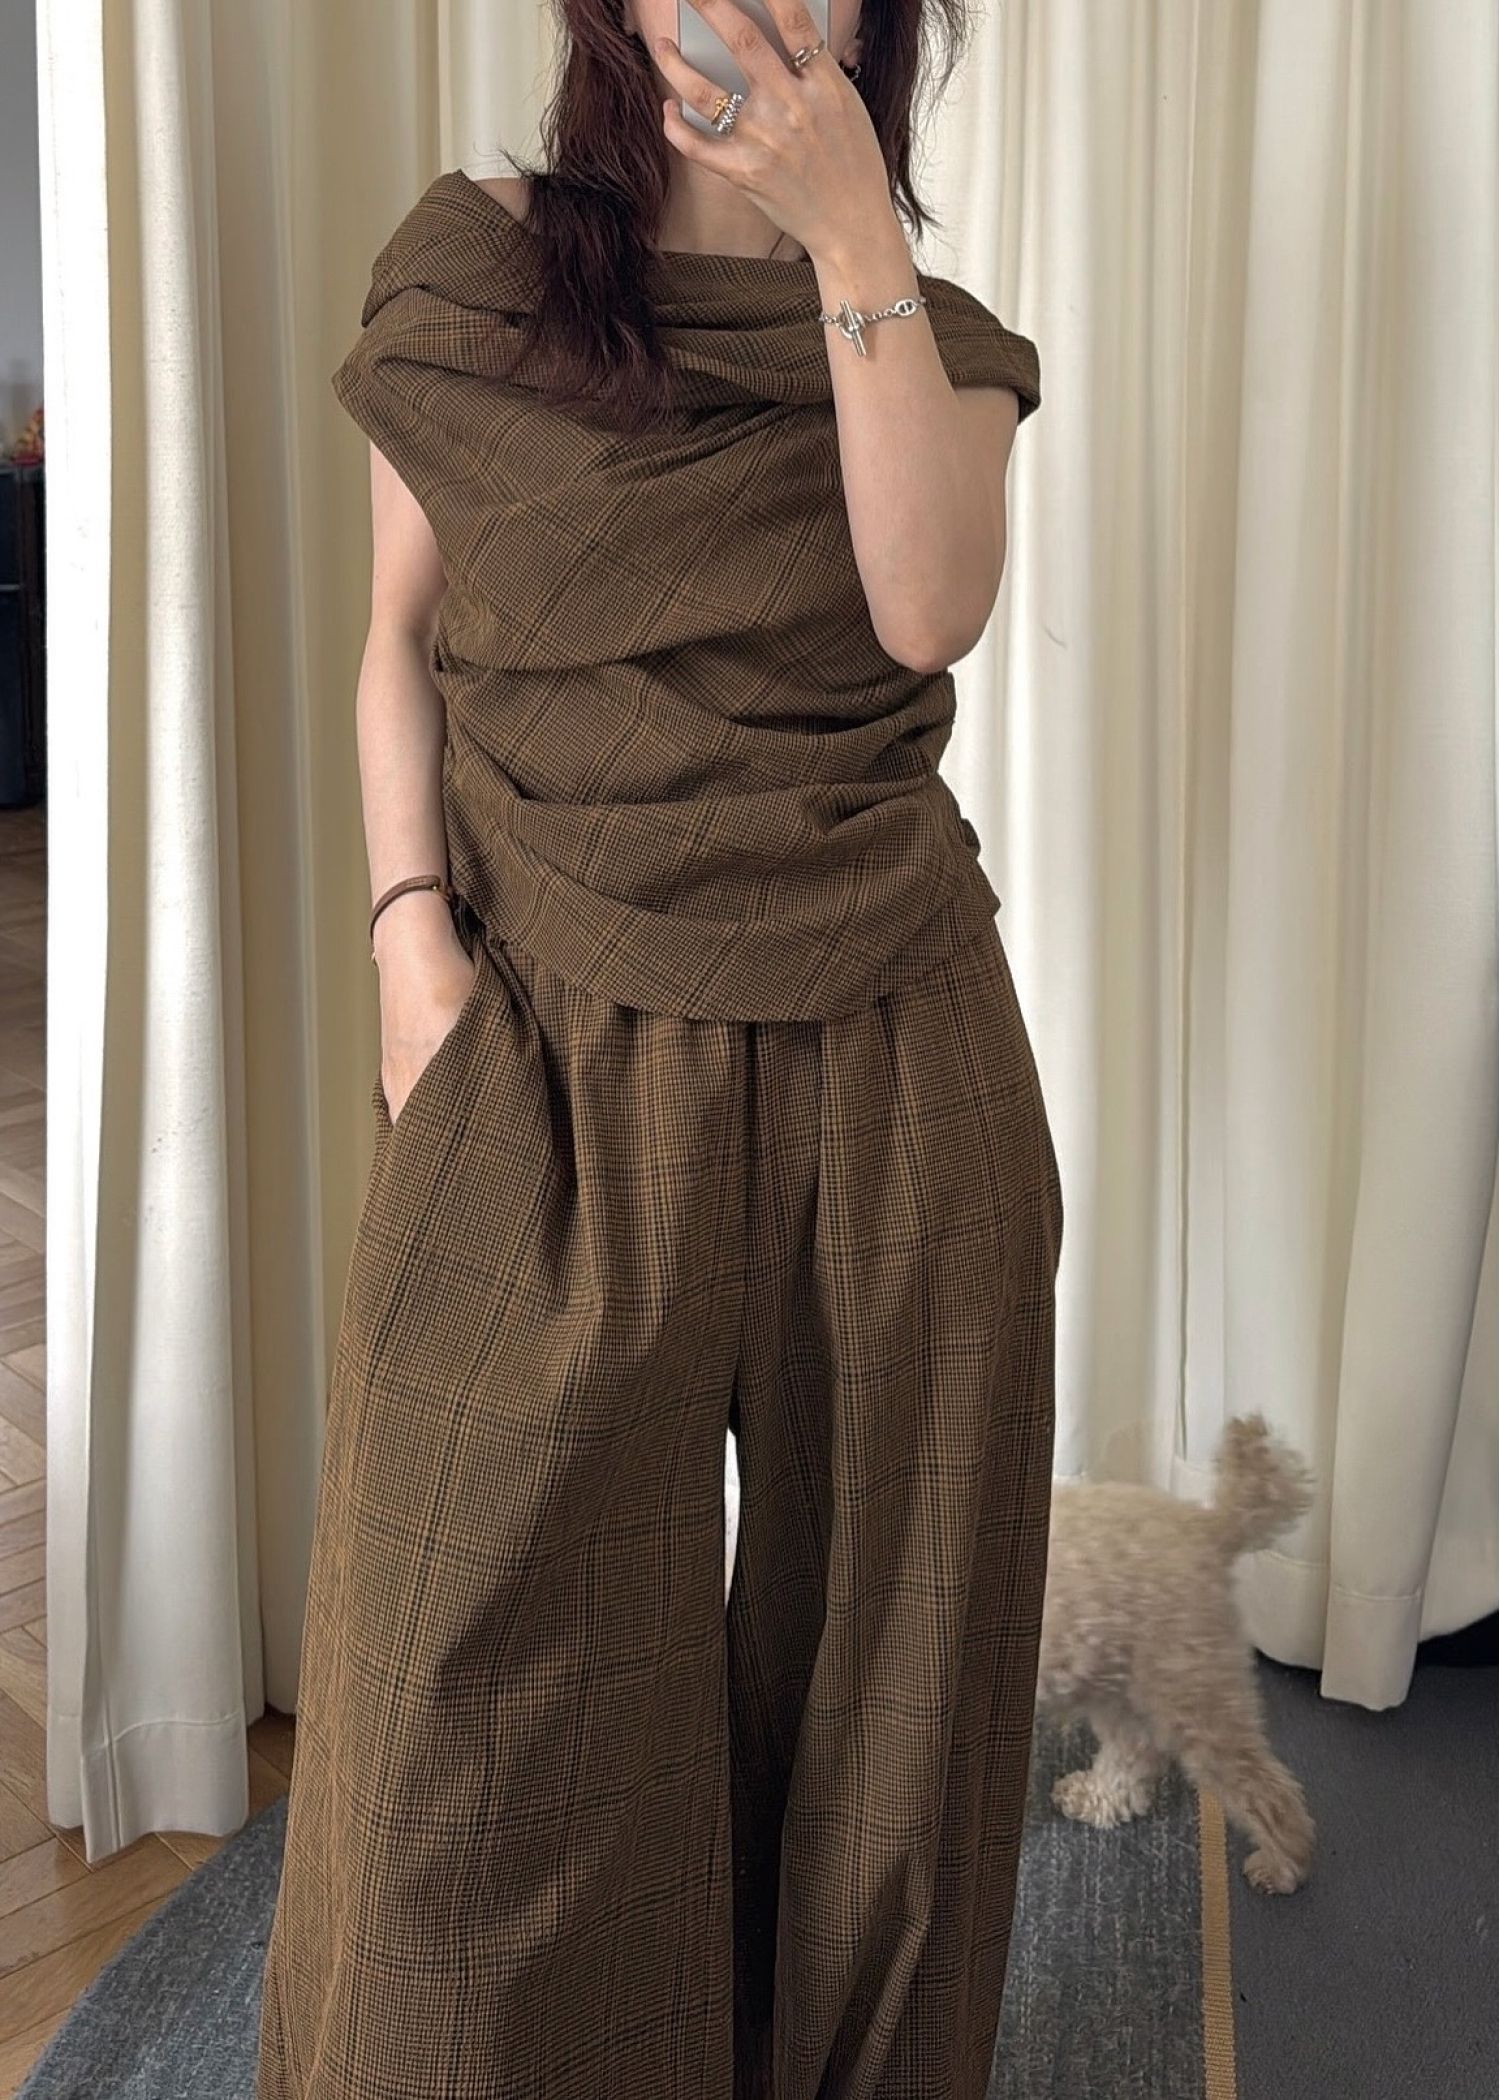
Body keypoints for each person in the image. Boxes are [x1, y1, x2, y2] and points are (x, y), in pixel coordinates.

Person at [255, 2, 1062, 2094]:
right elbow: (395, 641)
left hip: (893, 1053)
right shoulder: (477, 276)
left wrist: (853, 235)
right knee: (463, 1703)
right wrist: (408, 953)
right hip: (550, 1046)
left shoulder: (942, 350)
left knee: (890, 1714)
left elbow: (927, 610)